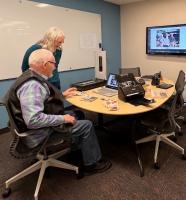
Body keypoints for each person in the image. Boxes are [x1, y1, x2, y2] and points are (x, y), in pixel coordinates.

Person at [9, 49, 111, 175]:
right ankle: (92, 164)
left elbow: (42, 100)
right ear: (45, 65)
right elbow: (33, 120)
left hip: (30, 126)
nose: (55, 66)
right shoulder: (33, 85)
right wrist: (63, 119)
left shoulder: (30, 75)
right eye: (54, 63)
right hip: (37, 132)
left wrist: (62, 95)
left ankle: (77, 152)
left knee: (77, 114)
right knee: (87, 125)